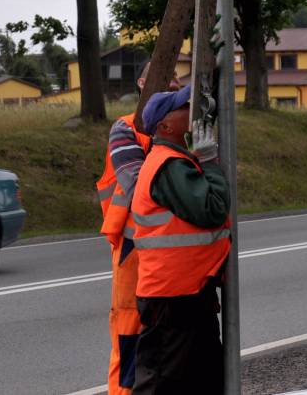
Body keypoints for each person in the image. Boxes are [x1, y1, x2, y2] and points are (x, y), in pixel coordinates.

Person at [129, 84, 231, 394]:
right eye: (182, 108)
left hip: (188, 295)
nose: (191, 112)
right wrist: (211, 164)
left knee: (204, 380)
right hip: (172, 298)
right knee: (161, 383)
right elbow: (212, 209)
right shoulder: (168, 165)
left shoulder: (178, 162)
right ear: (165, 126)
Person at [95, 65, 177, 395]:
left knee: (169, 341)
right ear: (142, 84)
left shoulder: (185, 132)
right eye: (163, 79)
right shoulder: (127, 128)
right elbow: (140, 186)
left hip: (170, 253)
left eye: (177, 82)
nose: (171, 85)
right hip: (132, 249)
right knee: (130, 335)